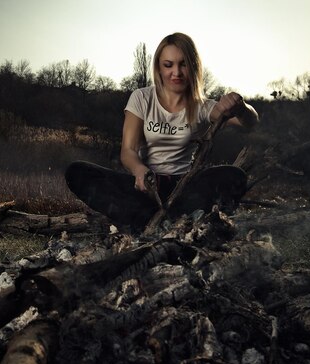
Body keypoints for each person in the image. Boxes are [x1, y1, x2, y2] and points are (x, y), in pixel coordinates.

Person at [66, 32, 259, 231]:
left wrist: (241, 106)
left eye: (183, 64)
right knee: (77, 172)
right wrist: (140, 171)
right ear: (158, 67)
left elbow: (249, 123)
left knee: (234, 175)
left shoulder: (201, 106)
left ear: (193, 66)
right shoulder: (141, 98)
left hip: (185, 188)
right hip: (145, 187)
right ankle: (158, 220)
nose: (176, 72)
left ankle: (163, 220)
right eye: (168, 65)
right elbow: (128, 150)